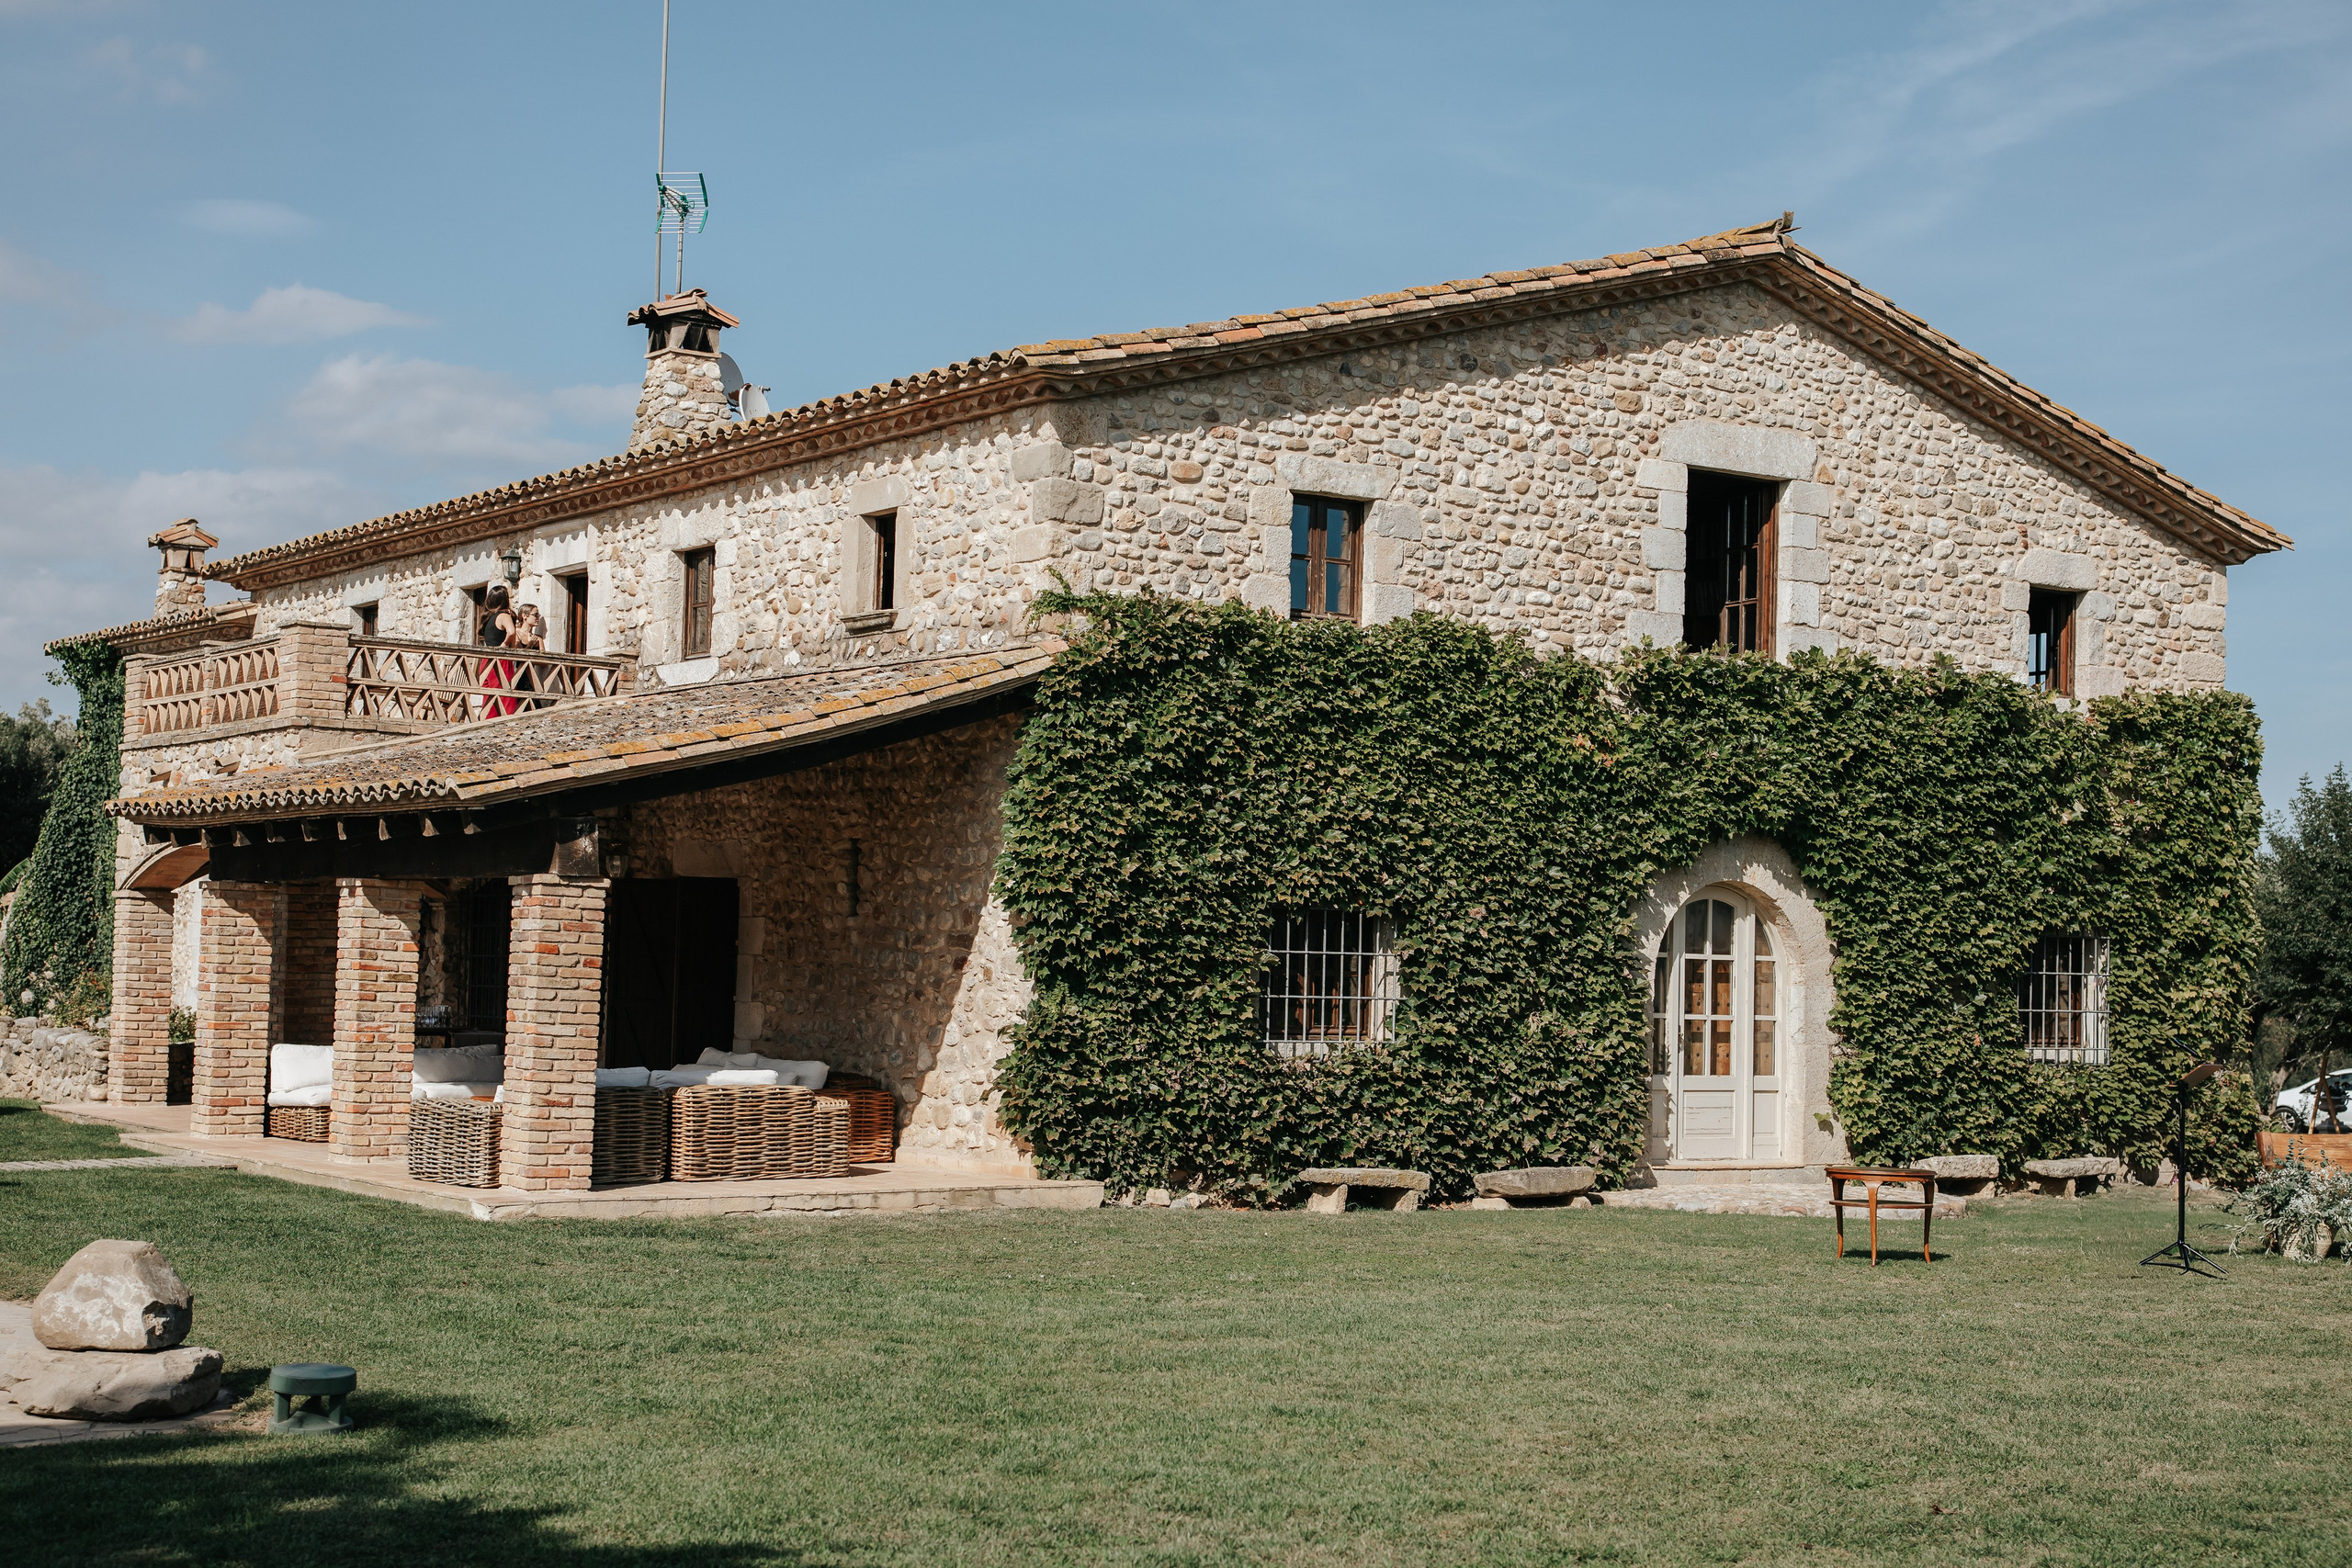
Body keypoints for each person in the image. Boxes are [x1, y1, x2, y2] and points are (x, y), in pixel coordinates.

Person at [477, 583, 518, 718]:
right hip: (500, 660)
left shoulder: (488, 618)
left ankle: (488, 720)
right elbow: (511, 632)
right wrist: (505, 645)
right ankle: (506, 721)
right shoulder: (503, 616)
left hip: (486, 659)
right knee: (505, 692)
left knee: (490, 694)